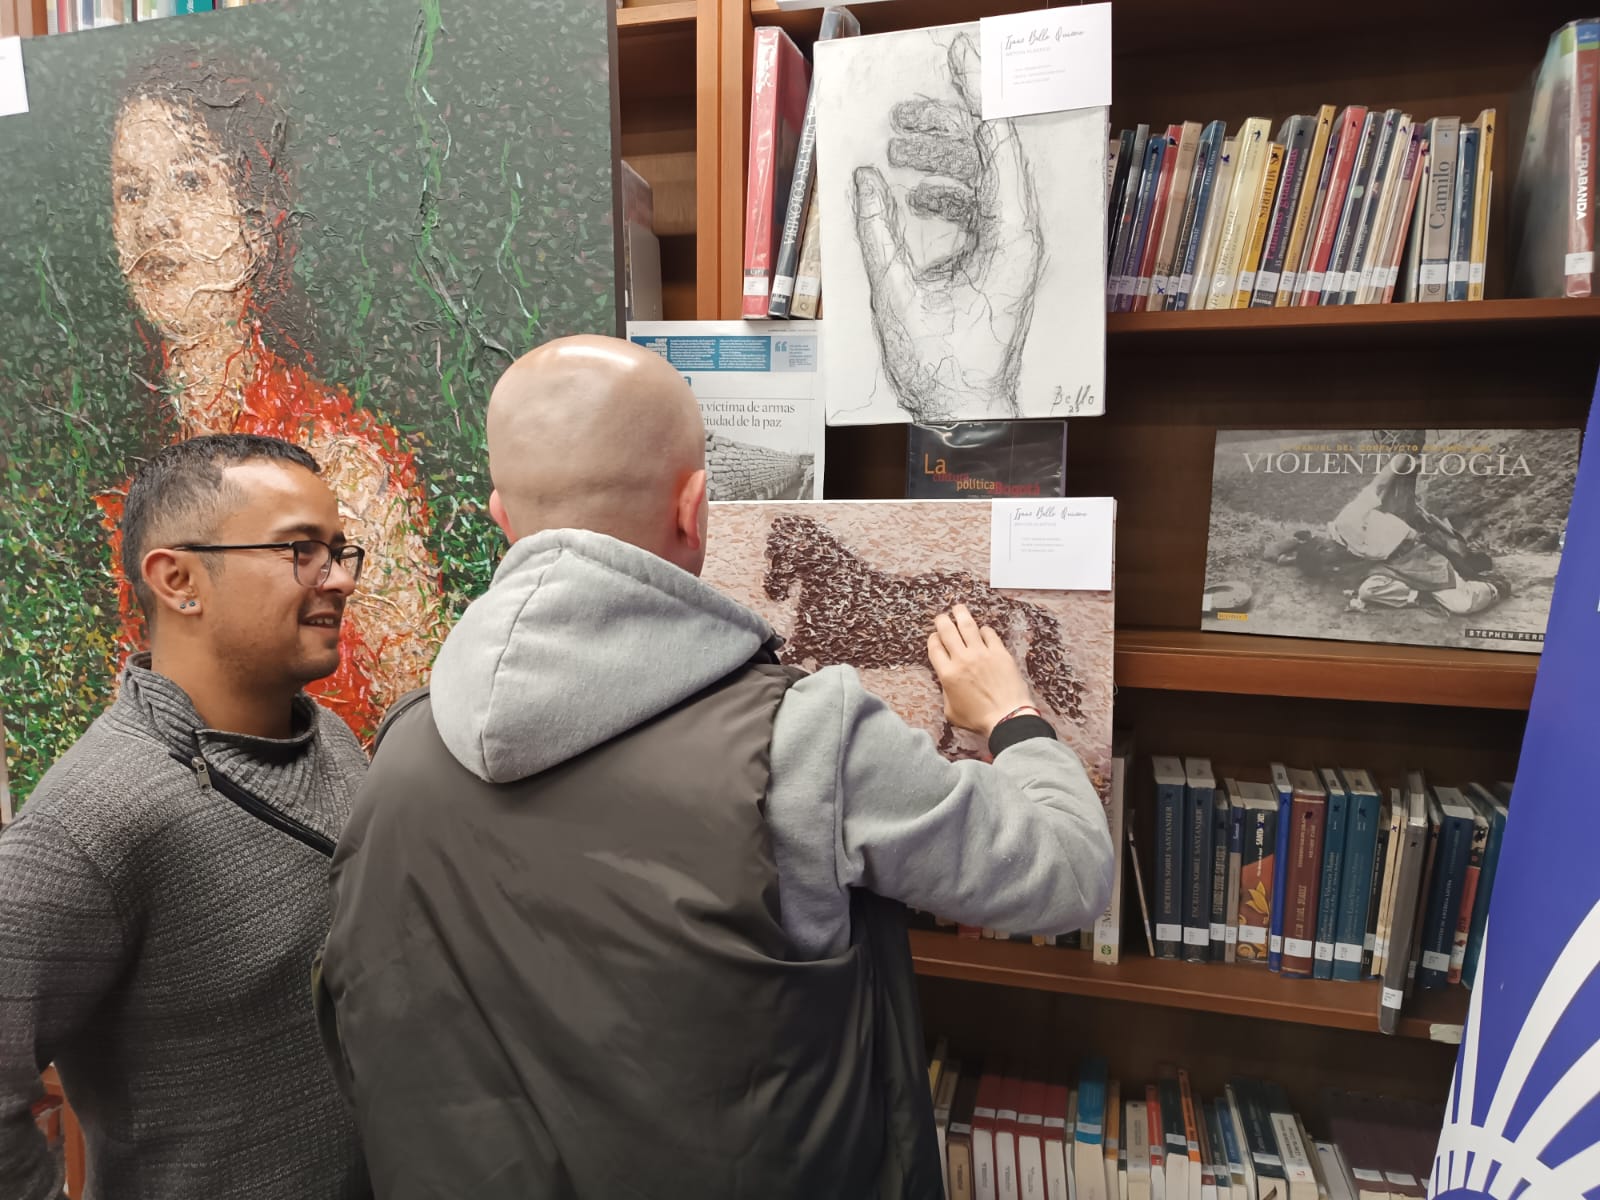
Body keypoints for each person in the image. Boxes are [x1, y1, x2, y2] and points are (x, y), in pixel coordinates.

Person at [315, 335, 1113, 1198]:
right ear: (696, 508)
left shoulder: (399, 741)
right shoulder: (808, 737)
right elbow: (1069, 872)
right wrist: (1011, 717)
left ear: (501, 515)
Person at [0, 435, 371, 1200]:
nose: (336, 579)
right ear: (178, 580)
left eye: (339, 551)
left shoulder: (331, 741)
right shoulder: (93, 819)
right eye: (301, 550)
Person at [100, 53, 446, 739]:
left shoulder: (341, 464)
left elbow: (423, 723)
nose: (155, 222)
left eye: (191, 181)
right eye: (132, 191)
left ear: (257, 223)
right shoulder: (121, 475)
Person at [1263, 430, 1508, 617]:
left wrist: (1405, 453)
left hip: (1416, 555)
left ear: (1323, 547)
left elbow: (1378, 486)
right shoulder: (1330, 550)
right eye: (1329, 567)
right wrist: (1286, 556)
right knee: (1368, 590)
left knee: (1462, 605)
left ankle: (1495, 587)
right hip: (1391, 567)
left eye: (1330, 563)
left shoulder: (1348, 521)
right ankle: (1421, 596)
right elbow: (1280, 553)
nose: (1335, 567)